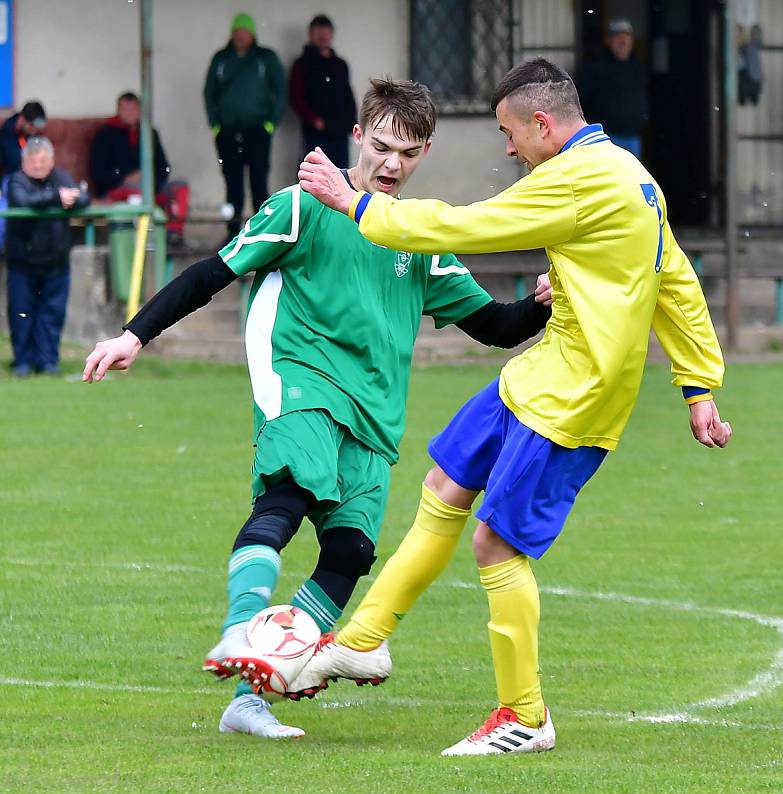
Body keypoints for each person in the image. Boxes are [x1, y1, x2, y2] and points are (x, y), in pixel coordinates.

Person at [83, 78, 552, 740]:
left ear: (423, 154)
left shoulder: (416, 236)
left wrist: (538, 303)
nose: (392, 165)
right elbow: (212, 273)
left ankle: (249, 698)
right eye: (383, 147)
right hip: (300, 381)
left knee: (349, 550)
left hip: (373, 413)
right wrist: (134, 335)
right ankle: (238, 628)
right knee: (289, 495)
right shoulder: (301, 208)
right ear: (357, 137)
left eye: (409, 154)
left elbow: (495, 328)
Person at [295, 58, 732, 756]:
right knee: (443, 485)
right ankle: (361, 643)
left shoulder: (577, 177)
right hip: (537, 374)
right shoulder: (629, 174)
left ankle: (524, 715)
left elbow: (467, 226)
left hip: (575, 399)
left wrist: (355, 206)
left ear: (541, 124)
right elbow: (673, 276)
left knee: (494, 542)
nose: (506, 148)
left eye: (508, 132)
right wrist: (697, 384)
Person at [6, 137, 89, 376]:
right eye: (34, 160)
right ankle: (22, 362)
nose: (39, 165)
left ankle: (48, 362)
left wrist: (72, 199)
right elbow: (24, 201)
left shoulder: (61, 178)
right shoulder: (16, 181)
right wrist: (57, 199)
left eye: (44, 160)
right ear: (25, 162)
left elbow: (83, 198)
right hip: (23, 264)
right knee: (22, 314)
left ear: (51, 160)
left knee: (52, 315)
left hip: (56, 263)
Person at [204, 12, 287, 239]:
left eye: (245, 32)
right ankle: (232, 232)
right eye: (237, 32)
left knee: (259, 182)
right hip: (228, 131)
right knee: (233, 184)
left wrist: (270, 123)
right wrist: (216, 125)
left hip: (258, 130)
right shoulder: (221, 59)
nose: (240, 36)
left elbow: (281, 91)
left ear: (252, 34)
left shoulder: (265, 58)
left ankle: (264, 233)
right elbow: (209, 93)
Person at [89, 92, 189, 243]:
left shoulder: (150, 133)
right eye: (125, 109)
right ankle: (142, 239)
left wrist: (150, 179)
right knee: (135, 190)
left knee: (180, 187)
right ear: (118, 111)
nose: (129, 113)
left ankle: (173, 233)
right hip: (118, 188)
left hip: (150, 187)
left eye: (133, 109)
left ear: (140, 111)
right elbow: (98, 172)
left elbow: (163, 167)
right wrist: (124, 177)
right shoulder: (105, 134)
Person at [289, 14, 357, 168]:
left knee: (341, 174)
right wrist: (315, 121)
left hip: (340, 130)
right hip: (315, 133)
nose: (323, 36)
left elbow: (347, 95)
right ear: (311, 34)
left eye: (326, 32)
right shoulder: (302, 64)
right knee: (314, 174)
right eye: (318, 32)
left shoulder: (340, 64)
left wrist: (351, 122)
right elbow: (296, 98)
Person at [579, 18, 647, 159]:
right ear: (609, 41)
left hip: (633, 137)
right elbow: (584, 99)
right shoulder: (596, 67)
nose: (622, 40)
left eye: (626, 35)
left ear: (632, 40)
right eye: (617, 36)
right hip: (607, 139)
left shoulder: (637, 67)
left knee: (632, 179)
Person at [0, 100, 47, 175]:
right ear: (22, 119)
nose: (34, 131)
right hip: (14, 178)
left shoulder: (33, 135)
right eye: (32, 126)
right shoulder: (5, 135)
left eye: (36, 128)